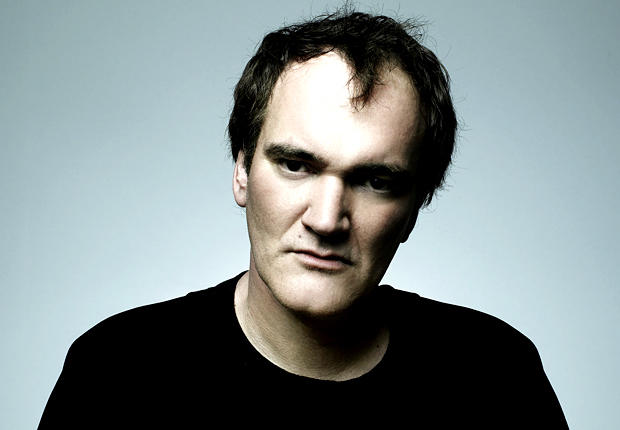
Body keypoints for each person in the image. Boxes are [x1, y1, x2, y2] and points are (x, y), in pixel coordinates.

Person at [39, 10, 568, 428]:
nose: (327, 219)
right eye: (295, 165)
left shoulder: (498, 376)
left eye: (375, 180)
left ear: (417, 205)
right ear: (242, 170)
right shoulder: (114, 374)